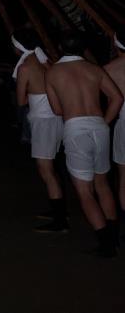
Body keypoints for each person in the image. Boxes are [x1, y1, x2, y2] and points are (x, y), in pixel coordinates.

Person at [46, 29, 123, 258]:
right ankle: (113, 235)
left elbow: (57, 109)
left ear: (61, 48)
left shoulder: (53, 72)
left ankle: (105, 244)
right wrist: (105, 122)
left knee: (85, 191)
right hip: (99, 126)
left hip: (76, 128)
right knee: (103, 184)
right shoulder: (94, 69)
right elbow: (117, 97)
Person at [13, 27, 67, 232]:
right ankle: (58, 209)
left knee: (46, 170)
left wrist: (34, 98)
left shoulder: (26, 67)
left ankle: (60, 221)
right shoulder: (47, 61)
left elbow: (20, 100)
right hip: (57, 116)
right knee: (52, 166)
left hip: (43, 121)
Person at [104, 24, 125, 238]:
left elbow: (112, 100)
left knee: (124, 175)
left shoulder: (110, 69)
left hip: (124, 123)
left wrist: (105, 122)